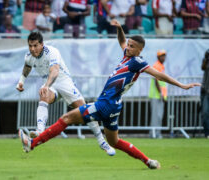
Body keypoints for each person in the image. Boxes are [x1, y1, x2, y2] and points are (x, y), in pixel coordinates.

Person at [18, 20, 201, 169]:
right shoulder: (127, 55)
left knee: (66, 119)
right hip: (114, 107)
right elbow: (121, 41)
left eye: (131, 46)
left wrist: (182, 85)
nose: (127, 47)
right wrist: (120, 29)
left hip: (104, 104)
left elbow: (159, 74)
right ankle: (149, 161)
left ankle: (32, 144)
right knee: (115, 141)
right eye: (128, 45)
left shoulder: (137, 62)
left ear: (139, 50)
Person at [16, 32, 115, 156]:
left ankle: (102, 141)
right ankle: (39, 130)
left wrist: (46, 85)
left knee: (85, 110)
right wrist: (21, 81)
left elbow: (55, 71)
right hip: (50, 85)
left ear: (42, 44)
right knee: (43, 95)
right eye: (30, 46)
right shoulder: (29, 56)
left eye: (35, 45)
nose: (32, 49)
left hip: (63, 82)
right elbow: (27, 67)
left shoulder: (52, 52)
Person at [148, 49, 167, 139]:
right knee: (156, 116)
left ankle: (156, 133)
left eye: (164, 55)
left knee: (159, 115)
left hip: (159, 95)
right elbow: (156, 80)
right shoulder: (156, 65)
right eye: (162, 55)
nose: (163, 57)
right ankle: (154, 133)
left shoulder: (161, 66)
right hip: (156, 95)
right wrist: (160, 93)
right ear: (158, 57)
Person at [201, 49, 209, 138]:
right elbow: (202, 67)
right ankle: (207, 133)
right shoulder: (206, 62)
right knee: (205, 112)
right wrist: (206, 58)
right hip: (205, 91)